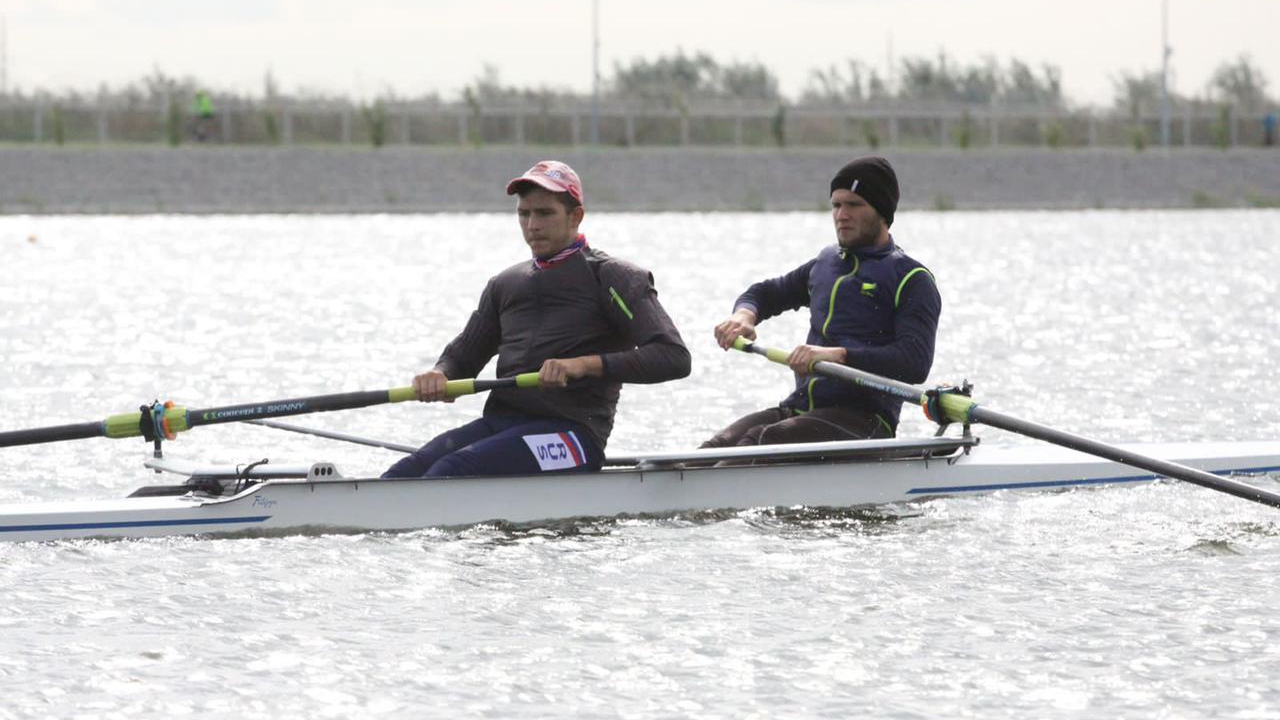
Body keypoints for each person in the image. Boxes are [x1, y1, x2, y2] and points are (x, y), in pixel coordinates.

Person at [383, 161, 691, 478]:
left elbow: (674, 357)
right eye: (524, 214)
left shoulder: (614, 278)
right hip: (503, 423)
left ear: (576, 216)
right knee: (405, 472)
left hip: (574, 436)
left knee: (452, 469)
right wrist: (439, 374)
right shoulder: (504, 284)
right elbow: (462, 359)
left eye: (544, 213)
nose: (532, 225)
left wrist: (582, 365)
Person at [702, 156, 940, 448]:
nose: (842, 214)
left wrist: (838, 355)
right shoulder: (825, 264)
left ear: (881, 211)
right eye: (836, 205)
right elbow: (767, 293)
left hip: (864, 421)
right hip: (804, 410)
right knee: (717, 445)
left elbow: (913, 362)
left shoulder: (911, 278)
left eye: (854, 205)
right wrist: (744, 316)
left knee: (765, 439)